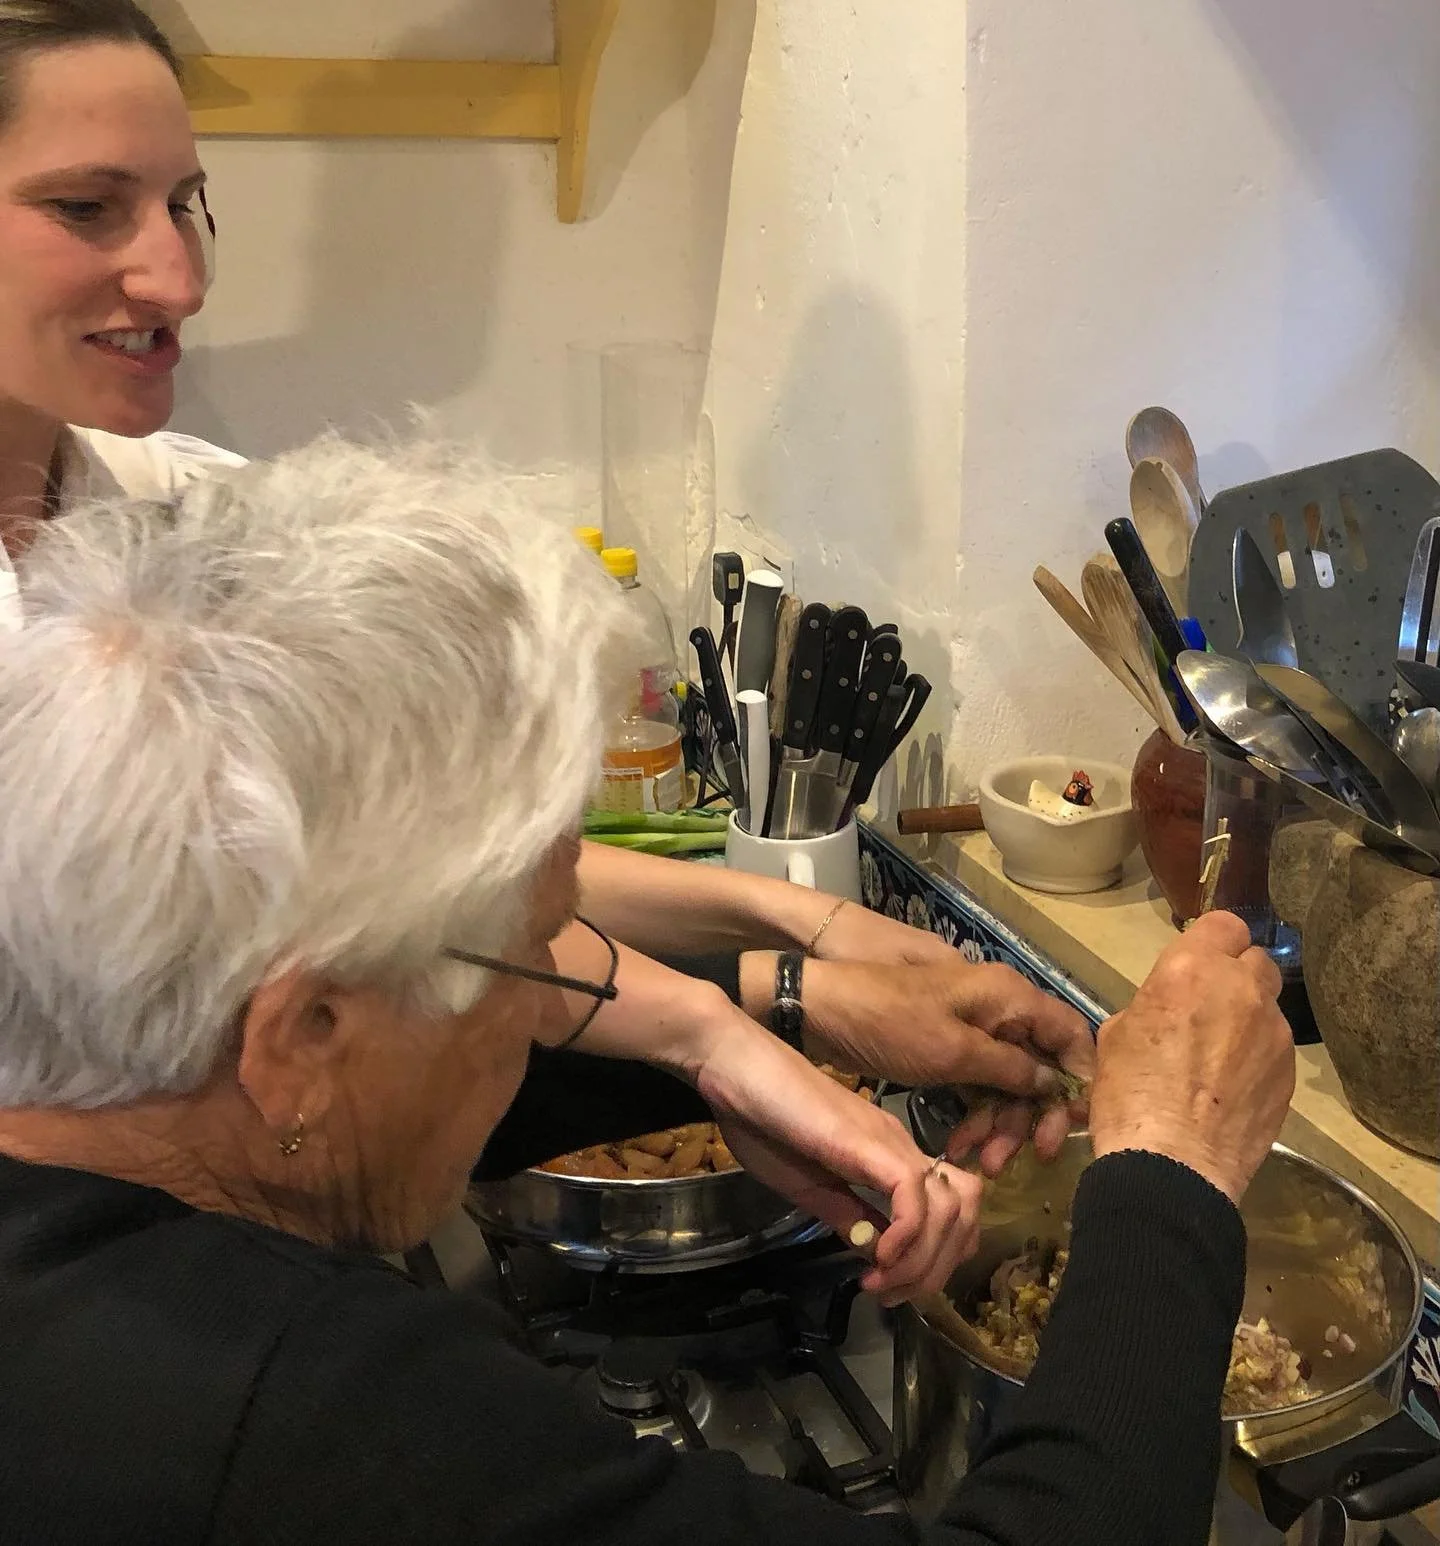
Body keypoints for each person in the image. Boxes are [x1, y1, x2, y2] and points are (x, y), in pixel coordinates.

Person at [0, 436, 1296, 1546]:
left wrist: (743, 1032)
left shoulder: (95, 1160)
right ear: (301, 1034)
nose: (552, 1003)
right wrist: (1172, 1166)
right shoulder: (306, 1421)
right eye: (531, 956)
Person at [0, 0, 1100, 1175]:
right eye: (85, 207)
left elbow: (441, 878)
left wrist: (801, 927)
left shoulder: (179, 511)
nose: (177, 277)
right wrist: (752, 1010)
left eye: (184, 204)